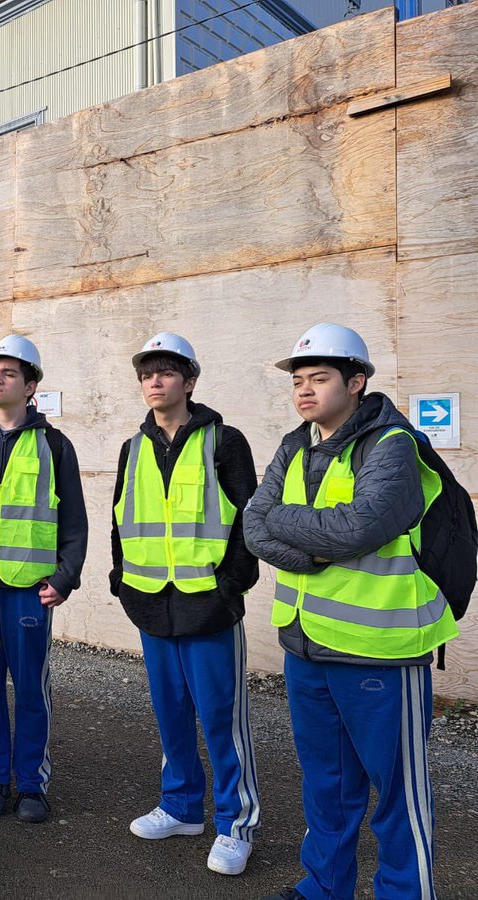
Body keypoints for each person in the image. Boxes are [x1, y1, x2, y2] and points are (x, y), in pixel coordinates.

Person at [245, 323, 458, 900]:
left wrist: (293, 528)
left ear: (357, 381)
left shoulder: (393, 446)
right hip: (306, 646)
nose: (305, 391)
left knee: (397, 795)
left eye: (319, 378)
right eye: (299, 380)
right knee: (326, 785)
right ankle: (323, 886)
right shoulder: (295, 444)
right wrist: (316, 545)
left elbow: (359, 527)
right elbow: (251, 523)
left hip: (380, 653)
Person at [111, 332, 261, 876]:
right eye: (147, 373)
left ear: (189, 382)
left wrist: (231, 586)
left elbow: (249, 518)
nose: (154, 381)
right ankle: (180, 807)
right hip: (152, 605)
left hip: (208, 607)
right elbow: (121, 518)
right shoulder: (133, 447)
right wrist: (122, 582)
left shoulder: (225, 441)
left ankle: (235, 824)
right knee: (171, 716)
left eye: (167, 372)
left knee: (224, 723)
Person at [0, 335, 88, 824]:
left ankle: (32, 784)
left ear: (31, 385)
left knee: (31, 691)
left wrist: (66, 577)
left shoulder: (54, 444)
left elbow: (75, 520)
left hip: (28, 589)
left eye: (9, 373)